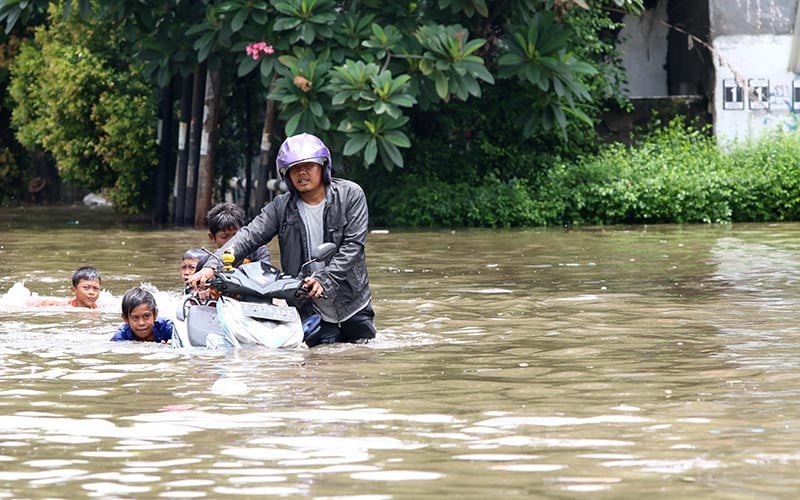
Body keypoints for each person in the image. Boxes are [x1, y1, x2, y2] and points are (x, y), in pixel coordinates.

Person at [188, 133, 376, 347]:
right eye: (294, 168)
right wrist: (211, 267)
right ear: (286, 175)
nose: (302, 173)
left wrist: (325, 280)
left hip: (353, 300)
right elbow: (248, 236)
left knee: (362, 361)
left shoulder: (350, 195)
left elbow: (353, 246)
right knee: (319, 368)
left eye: (308, 166)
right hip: (308, 303)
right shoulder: (280, 207)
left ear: (324, 167)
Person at [206, 202, 271, 265]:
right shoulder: (211, 260)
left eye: (236, 235)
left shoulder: (259, 252)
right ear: (212, 237)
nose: (232, 241)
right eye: (225, 237)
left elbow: (266, 270)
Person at [110, 287, 175, 343]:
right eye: (135, 318)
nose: (141, 323)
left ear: (155, 314)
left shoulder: (165, 328)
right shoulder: (121, 337)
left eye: (146, 316)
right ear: (126, 319)